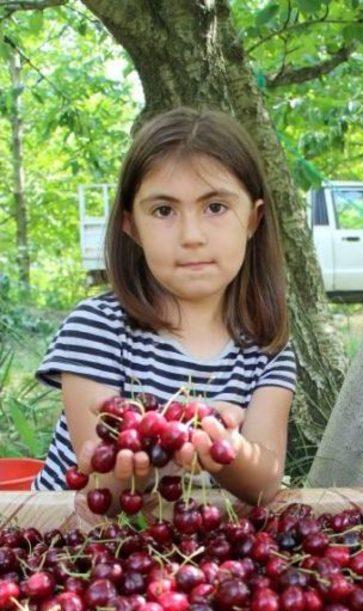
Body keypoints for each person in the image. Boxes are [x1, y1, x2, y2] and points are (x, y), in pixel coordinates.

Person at [34, 107, 296, 506]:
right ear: (131, 226)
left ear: (253, 219)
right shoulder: (97, 328)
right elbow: (102, 488)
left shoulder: (268, 349)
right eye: (163, 211)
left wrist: (221, 445)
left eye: (215, 207)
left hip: (182, 549)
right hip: (70, 539)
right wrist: (168, 443)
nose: (192, 236)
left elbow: (264, 483)